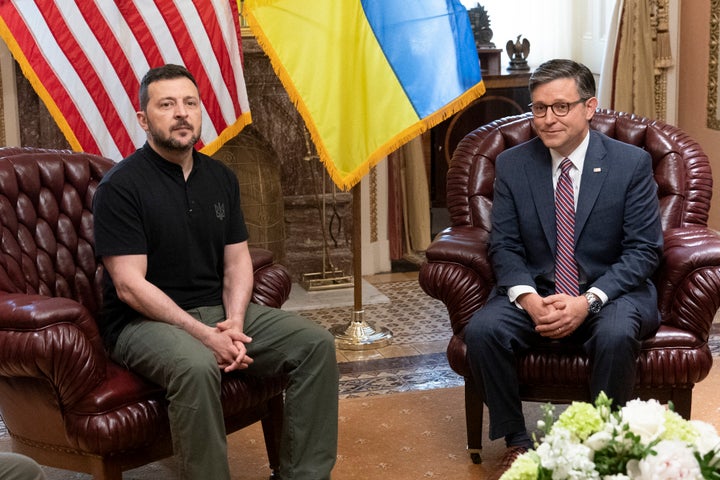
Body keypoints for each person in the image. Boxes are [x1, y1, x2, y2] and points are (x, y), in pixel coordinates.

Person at [92, 64, 338, 480]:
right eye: (167, 105)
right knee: (195, 364)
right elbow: (129, 286)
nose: (181, 113)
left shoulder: (220, 177)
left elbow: (237, 260)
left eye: (190, 103)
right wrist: (205, 336)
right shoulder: (121, 187)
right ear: (143, 119)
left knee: (315, 344)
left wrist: (235, 322)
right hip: (140, 323)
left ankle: (305, 476)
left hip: (216, 310)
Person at [464, 59, 663, 474]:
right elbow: (504, 246)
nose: (547, 119)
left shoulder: (631, 164)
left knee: (614, 333)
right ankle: (517, 441)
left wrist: (587, 301)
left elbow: (643, 251)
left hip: (611, 290)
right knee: (483, 331)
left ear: (589, 107)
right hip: (537, 287)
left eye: (560, 107)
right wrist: (529, 299)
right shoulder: (514, 164)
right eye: (538, 108)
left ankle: (600, 445)